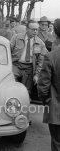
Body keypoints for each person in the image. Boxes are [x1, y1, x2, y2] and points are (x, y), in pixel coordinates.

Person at [37, 18, 60, 151]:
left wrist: (46, 101)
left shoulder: (51, 56)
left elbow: (43, 86)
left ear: (56, 34)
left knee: (57, 143)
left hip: (56, 111)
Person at [10, 20, 47, 95]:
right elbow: (8, 51)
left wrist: (37, 75)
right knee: (10, 84)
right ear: (27, 29)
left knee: (26, 91)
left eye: (37, 29)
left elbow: (41, 62)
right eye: (33, 29)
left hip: (29, 68)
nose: (35, 31)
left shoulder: (40, 44)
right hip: (15, 65)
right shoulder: (16, 38)